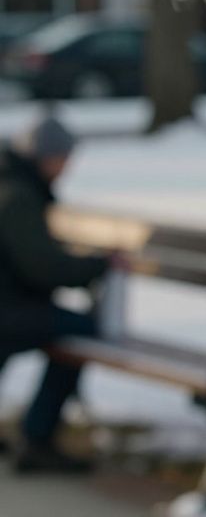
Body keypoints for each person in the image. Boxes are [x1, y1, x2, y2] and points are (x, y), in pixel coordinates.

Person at [0, 116, 109, 473]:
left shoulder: (13, 184)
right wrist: (98, 266)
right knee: (82, 331)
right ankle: (38, 438)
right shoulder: (18, 196)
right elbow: (42, 267)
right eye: (63, 158)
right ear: (45, 157)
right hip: (8, 311)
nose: (67, 167)